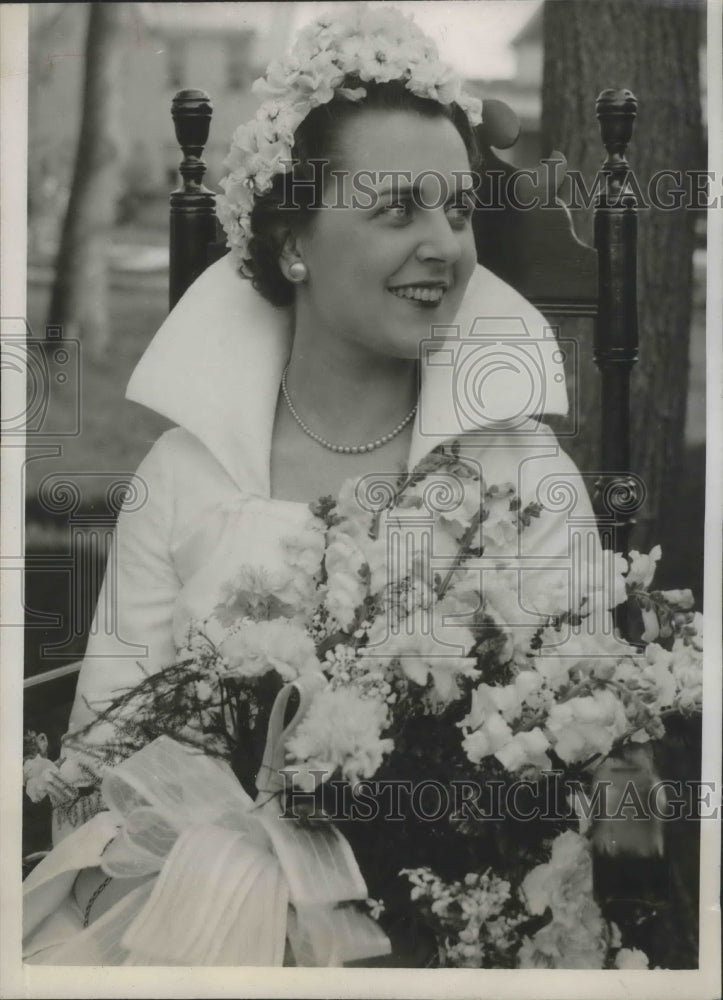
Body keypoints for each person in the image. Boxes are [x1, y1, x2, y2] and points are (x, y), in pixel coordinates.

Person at [22, 5, 607, 966]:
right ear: (293, 241)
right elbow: (100, 776)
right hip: (184, 928)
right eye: (395, 210)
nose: (445, 246)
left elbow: (572, 780)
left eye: (457, 210)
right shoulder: (183, 477)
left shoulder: (524, 475)